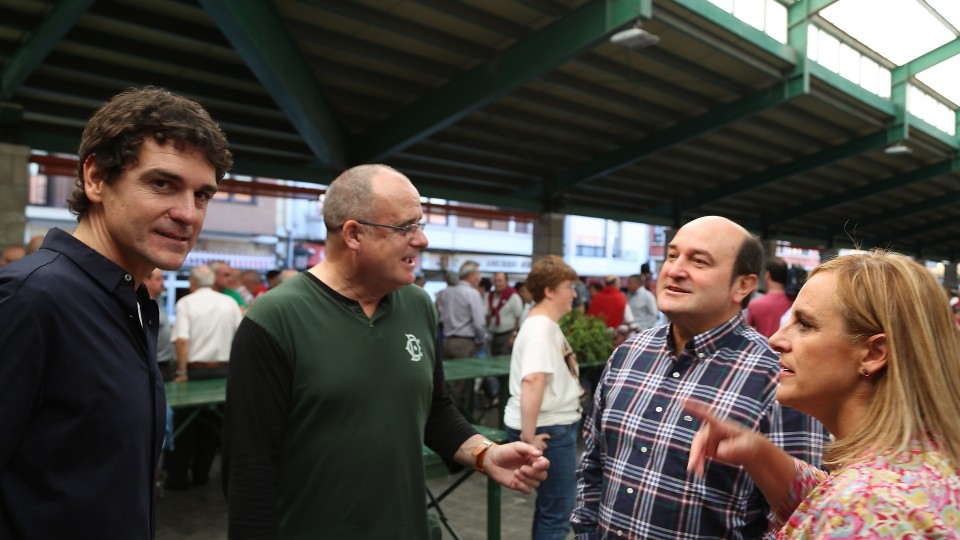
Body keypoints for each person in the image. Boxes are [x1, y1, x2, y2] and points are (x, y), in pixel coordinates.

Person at [222, 164, 549, 539]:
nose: (422, 240)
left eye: (421, 224)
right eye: (406, 227)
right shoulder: (276, 318)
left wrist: (486, 454)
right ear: (354, 233)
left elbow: (435, 411)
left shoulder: (418, 305)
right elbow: (249, 466)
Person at [0, 86, 231, 538]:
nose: (187, 213)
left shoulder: (130, 303)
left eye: (202, 195)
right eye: (162, 183)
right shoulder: (28, 299)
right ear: (96, 179)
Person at [572, 216, 828, 539]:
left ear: (743, 286)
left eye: (699, 261)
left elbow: (802, 514)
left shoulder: (778, 376)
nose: (675, 270)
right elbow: (593, 465)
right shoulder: (628, 354)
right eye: (672, 255)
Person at [687, 250, 960, 538]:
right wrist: (758, 453)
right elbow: (830, 497)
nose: (775, 339)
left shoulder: (862, 506)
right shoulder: (922, 463)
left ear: (874, 353)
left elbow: (850, 510)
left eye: (805, 324)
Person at [504, 255, 583, 540]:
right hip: (549, 429)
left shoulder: (540, 323)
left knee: (551, 509)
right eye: (569, 287)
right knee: (559, 512)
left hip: (548, 426)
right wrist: (528, 435)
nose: (574, 294)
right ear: (549, 291)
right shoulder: (541, 328)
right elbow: (533, 380)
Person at [166, 265, 242, 490]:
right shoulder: (229, 303)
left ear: (192, 282)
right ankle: (202, 475)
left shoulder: (186, 303)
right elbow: (241, 335)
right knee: (213, 425)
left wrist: (181, 373)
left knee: (184, 426)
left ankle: (178, 479)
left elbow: (182, 340)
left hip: (195, 372)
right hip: (224, 372)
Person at [746, 256, 793, 337]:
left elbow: (746, 334)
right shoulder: (794, 302)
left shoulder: (755, 305)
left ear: (767, 275)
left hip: (761, 349)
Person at [144, 268, 176, 381]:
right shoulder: (142, 305)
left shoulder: (157, 301)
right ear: (145, 281)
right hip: (155, 365)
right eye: (158, 279)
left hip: (165, 364)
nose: (163, 282)